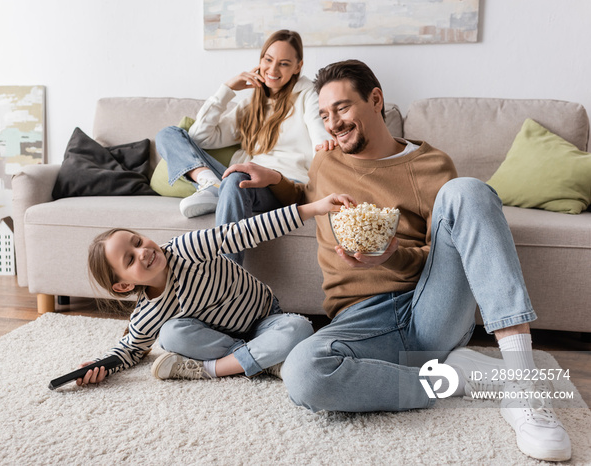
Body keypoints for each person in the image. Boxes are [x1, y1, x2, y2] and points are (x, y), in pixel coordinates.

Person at [222, 60, 572, 462]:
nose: (332, 123)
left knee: (468, 191)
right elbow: (306, 194)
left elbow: (444, 256)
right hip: (360, 321)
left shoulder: (431, 165)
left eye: (342, 108)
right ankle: (451, 377)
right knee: (303, 373)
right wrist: (276, 181)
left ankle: (524, 391)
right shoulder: (325, 161)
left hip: (430, 308)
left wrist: (390, 257)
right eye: (324, 114)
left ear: (376, 100)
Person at [74, 193, 353, 386]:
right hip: (220, 341)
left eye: (137, 241)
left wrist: (313, 208)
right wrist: (100, 366)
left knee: (298, 328)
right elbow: (131, 350)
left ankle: (215, 369)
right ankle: (261, 360)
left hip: (265, 319)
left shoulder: (186, 249)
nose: (143, 251)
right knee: (170, 335)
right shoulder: (148, 315)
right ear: (124, 285)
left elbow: (246, 231)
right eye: (130, 259)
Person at [155, 29, 331, 264]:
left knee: (237, 177)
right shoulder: (251, 101)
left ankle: (227, 277)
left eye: (284, 64)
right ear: (260, 60)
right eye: (268, 60)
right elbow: (200, 137)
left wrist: (327, 145)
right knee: (168, 134)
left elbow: (320, 135)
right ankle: (211, 183)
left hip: (282, 184)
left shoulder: (309, 95)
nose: (273, 70)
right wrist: (227, 89)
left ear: (298, 67)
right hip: (237, 179)